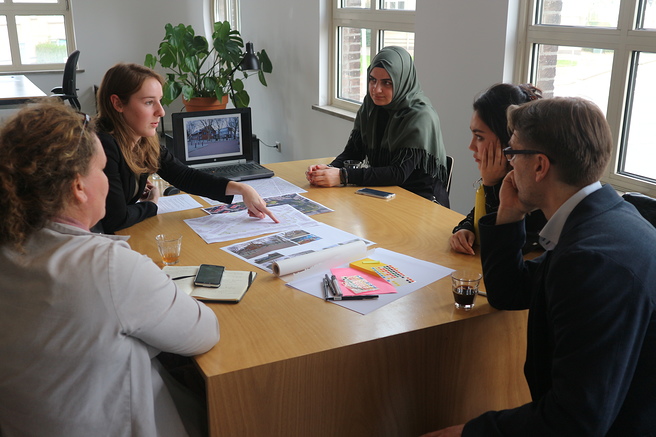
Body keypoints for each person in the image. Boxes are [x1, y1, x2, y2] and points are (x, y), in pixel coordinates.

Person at [423, 97, 656, 436]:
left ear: (539, 166)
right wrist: (508, 214)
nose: (508, 163)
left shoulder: (591, 261)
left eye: (513, 152)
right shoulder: (603, 219)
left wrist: (467, 433)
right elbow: (510, 292)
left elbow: (574, 422)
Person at [0, 100, 219, 436]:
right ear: (78, 187)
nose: (108, 181)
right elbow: (204, 332)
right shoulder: (107, 267)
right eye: (102, 171)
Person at [95, 63, 278, 233]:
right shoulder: (103, 146)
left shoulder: (144, 142)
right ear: (118, 103)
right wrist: (151, 204)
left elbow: (185, 176)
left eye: (159, 101)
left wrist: (243, 189)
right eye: (149, 102)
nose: (161, 111)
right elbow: (116, 219)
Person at [305, 46, 450, 206]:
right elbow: (353, 152)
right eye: (372, 80)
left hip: (421, 202)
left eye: (387, 83)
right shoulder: (371, 107)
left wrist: (343, 176)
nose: (376, 89)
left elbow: (398, 172)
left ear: (402, 81)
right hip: (384, 194)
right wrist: (327, 170)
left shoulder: (420, 116)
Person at [450, 83, 546, 255]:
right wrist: (465, 229)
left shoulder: (535, 184)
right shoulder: (507, 176)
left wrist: (491, 185)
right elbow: (476, 217)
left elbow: (505, 244)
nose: (471, 146)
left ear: (508, 139)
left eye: (479, 137)